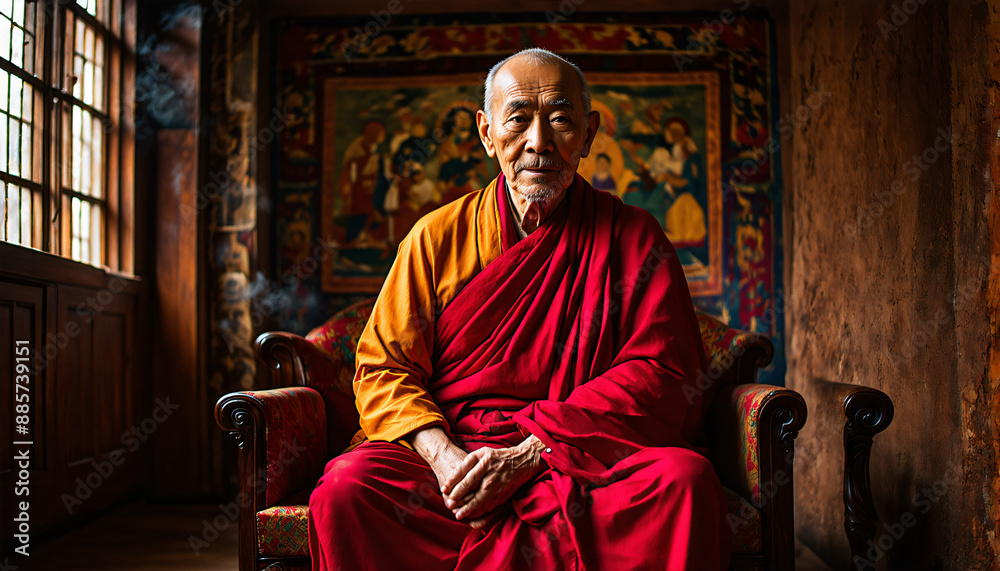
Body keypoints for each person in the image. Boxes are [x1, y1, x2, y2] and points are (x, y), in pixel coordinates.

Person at [309, 48, 729, 570]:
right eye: (518, 120)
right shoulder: (435, 238)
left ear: (589, 133)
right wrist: (446, 461)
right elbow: (383, 369)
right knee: (348, 490)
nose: (539, 143)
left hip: (579, 457)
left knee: (684, 483)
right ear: (487, 134)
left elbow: (662, 373)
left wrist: (532, 453)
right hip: (456, 457)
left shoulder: (634, 238)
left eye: (560, 121)